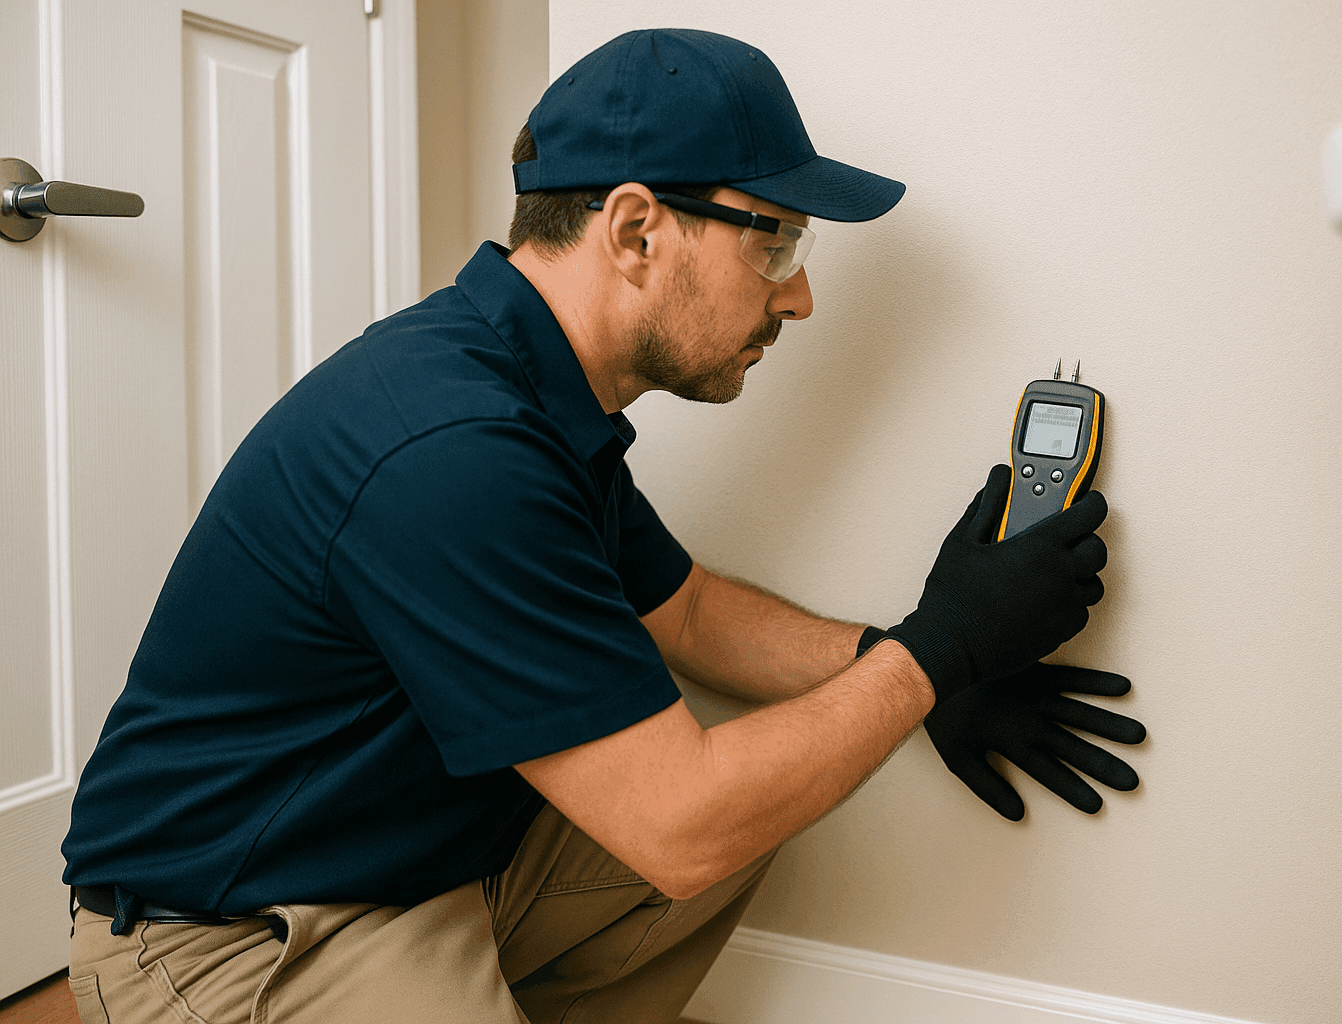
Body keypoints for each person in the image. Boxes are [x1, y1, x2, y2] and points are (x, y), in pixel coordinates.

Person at [61, 28, 1144, 1024]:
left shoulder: (528, 381)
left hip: (413, 863)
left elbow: (690, 613)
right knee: (705, 818)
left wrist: (903, 658)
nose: (801, 295)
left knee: (762, 800)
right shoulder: (452, 450)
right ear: (634, 228)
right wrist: (935, 651)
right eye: (776, 243)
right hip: (233, 932)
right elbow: (677, 824)